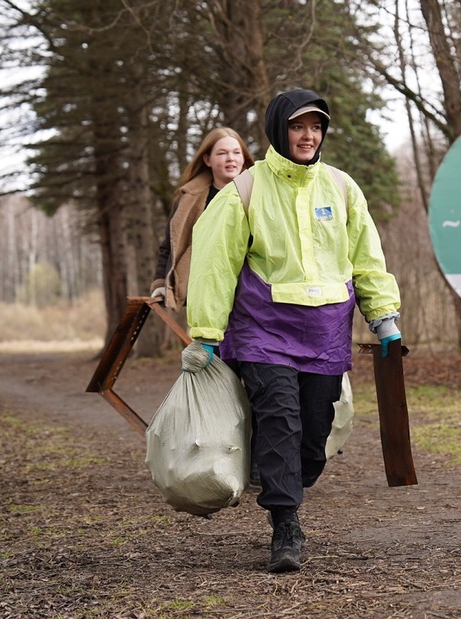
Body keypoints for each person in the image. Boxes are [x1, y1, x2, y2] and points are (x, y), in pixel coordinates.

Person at [186, 88, 402, 573]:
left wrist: (383, 316)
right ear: (278, 130)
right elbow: (214, 266)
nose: (308, 136)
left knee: (314, 433)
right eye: (298, 126)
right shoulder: (244, 190)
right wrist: (205, 333)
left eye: (316, 126)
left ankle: (284, 479)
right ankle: (285, 523)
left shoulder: (342, 188)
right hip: (264, 330)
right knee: (281, 417)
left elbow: (366, 259)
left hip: (326, 332)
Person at [150, 127, 255, 310]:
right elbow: (169, 246)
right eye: (222, 153)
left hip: (251, 294)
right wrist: (160, 283)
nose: (231, 158)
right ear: (207, 159)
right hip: (204, 296)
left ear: (244, 158)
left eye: (236, 152)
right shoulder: (187, 199)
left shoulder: (261, 194)